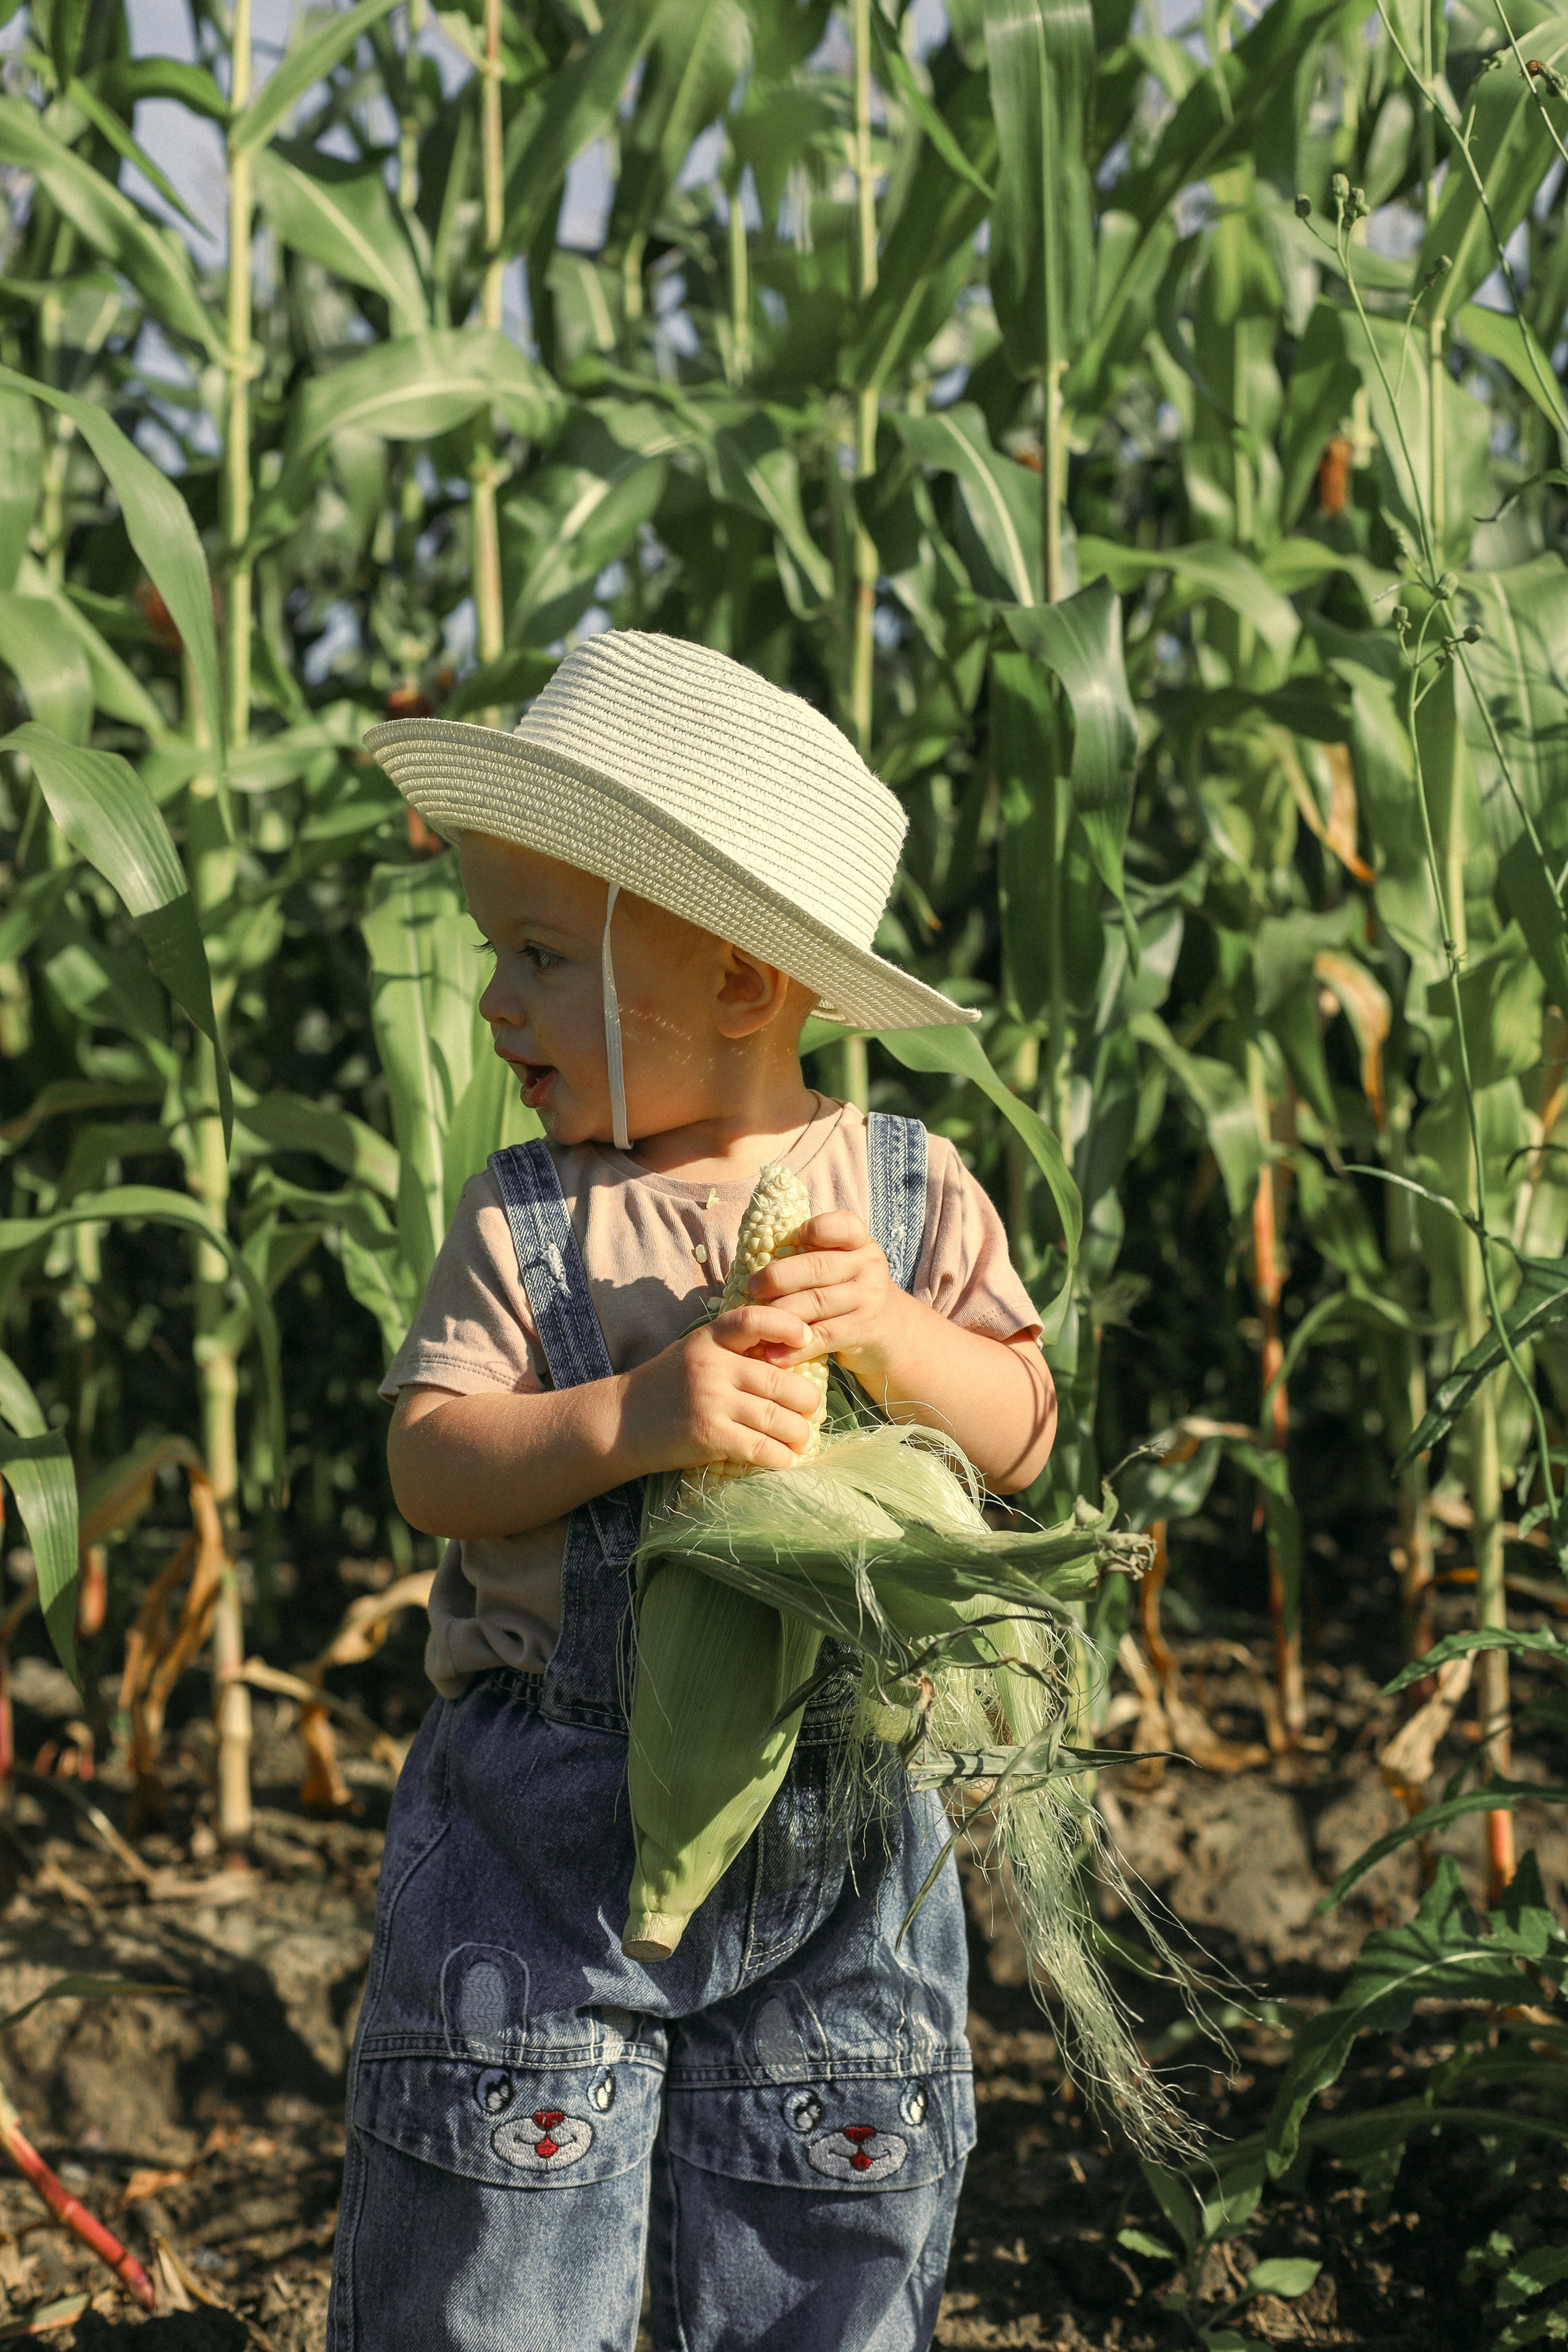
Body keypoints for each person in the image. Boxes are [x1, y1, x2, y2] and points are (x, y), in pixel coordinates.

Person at [328, 630, 1057, 2352]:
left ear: (739, 985)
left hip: (846, 1820)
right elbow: (433, 1459)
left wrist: (884, 1326)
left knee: (833, 2234)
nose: (492, 1005)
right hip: (546, 1843)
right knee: (494, 2254)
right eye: (485, 952)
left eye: (532, 956)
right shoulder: (527, 1219)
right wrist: (636, 1416)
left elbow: (1019, 1425)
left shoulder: (903, 1192)